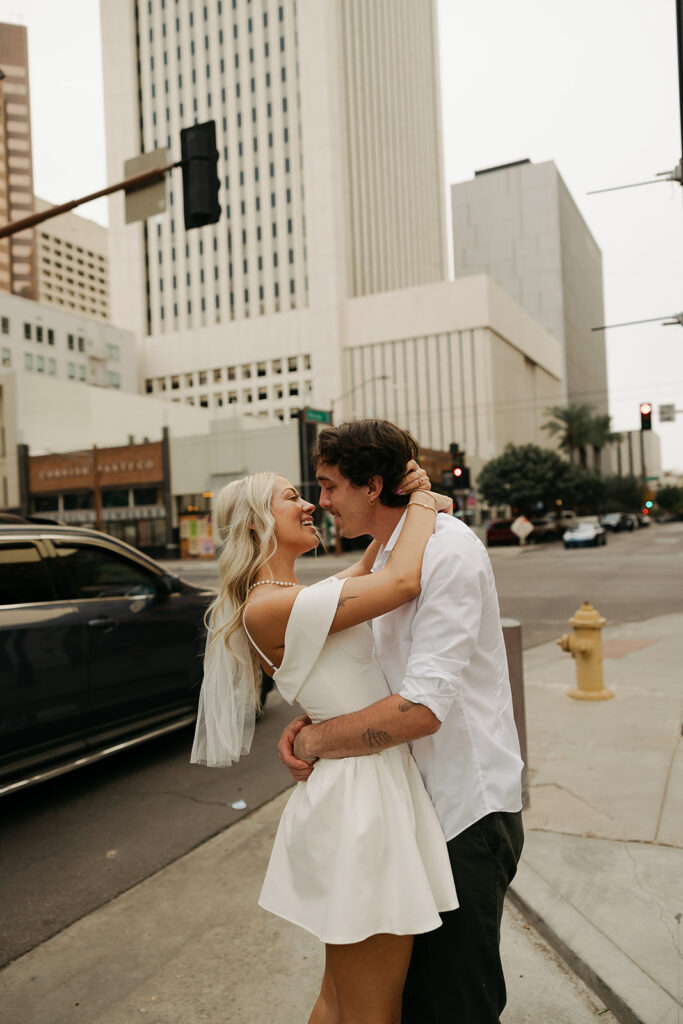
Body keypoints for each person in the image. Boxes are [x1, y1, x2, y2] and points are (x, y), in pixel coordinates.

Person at [278, 419, 525, 1024]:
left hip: (462, 815)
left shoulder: (447, 549)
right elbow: (384, 670)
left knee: (454, 1006)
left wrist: (315, 740)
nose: (323, 501)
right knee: (403, 1002)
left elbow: (419, 711)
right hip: (410, 817)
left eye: (331, 485)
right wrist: (315, 715)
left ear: (373, 485)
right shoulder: (392, 554)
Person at [190, 466, 457, 1024]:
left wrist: (409, 501)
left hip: (364, 785)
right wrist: (427, 505)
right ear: (260, 523)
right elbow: (402, 580)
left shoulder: (296, 596)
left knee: (341, 997)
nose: (311, 503)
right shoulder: (270, 606)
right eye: (293, 498)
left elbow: (369, 565)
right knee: (370, 1009)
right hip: (362, 801)